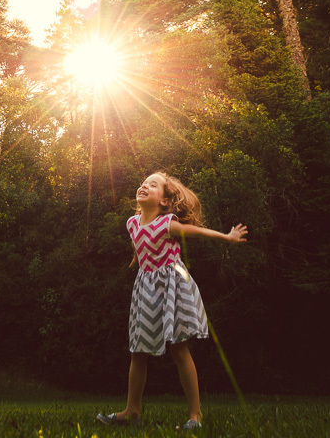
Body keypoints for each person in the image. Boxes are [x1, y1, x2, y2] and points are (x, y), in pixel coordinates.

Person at [96, 171, 248, 431]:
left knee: (178, 348)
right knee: (138, 351)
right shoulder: (131, 223)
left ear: (164, 201)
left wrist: (227, 237)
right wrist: (137, 258)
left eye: (152, 185)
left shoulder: (167, 224)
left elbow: (197, 232)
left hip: (172, 287)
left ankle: (195, 415)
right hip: (145, 288)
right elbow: (138, 243)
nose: (144, 186)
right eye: (143, 183)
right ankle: (132, 411)